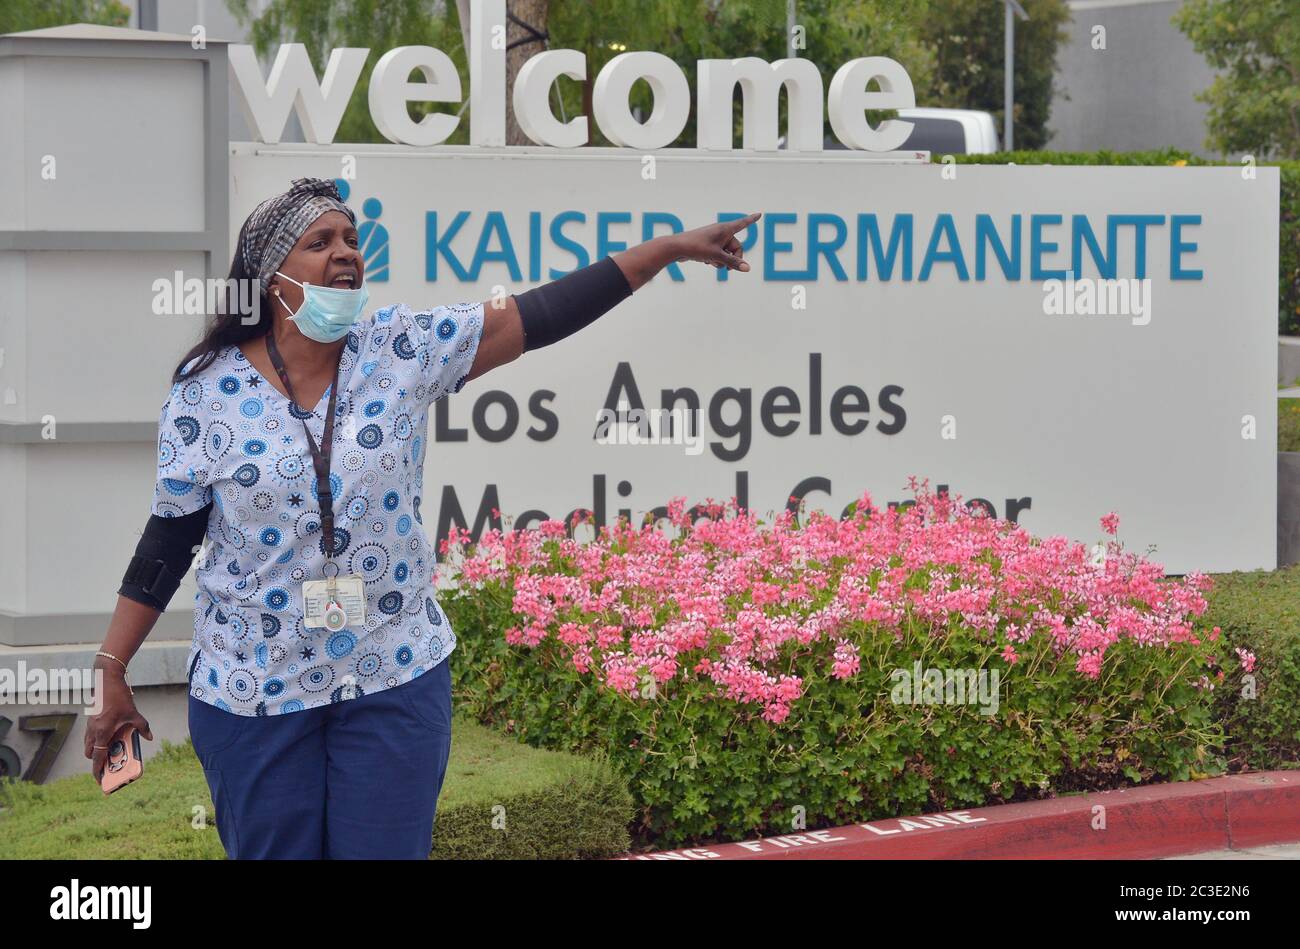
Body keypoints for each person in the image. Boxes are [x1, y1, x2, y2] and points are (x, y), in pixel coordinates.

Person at [83, 176, 760, 859]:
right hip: (254, 689)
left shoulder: (401, 348)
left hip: (392, 674)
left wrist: (667, 250)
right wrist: (113, 664)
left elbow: (543, 313)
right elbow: (169, 536)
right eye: (319, 242)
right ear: (270, 276)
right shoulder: (205, 390)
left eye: (351, 238)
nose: (345, 252)